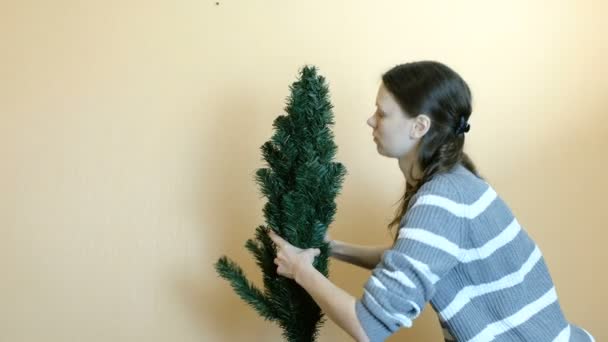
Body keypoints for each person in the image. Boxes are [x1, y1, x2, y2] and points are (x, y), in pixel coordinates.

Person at [267, 61, 594, 342]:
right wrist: (334, 247)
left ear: (419, 126)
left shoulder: (440, 201)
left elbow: (368, 327)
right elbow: (416, 259)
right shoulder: (455, 182)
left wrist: (301, 270)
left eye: (382, 113)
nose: (371, 120)